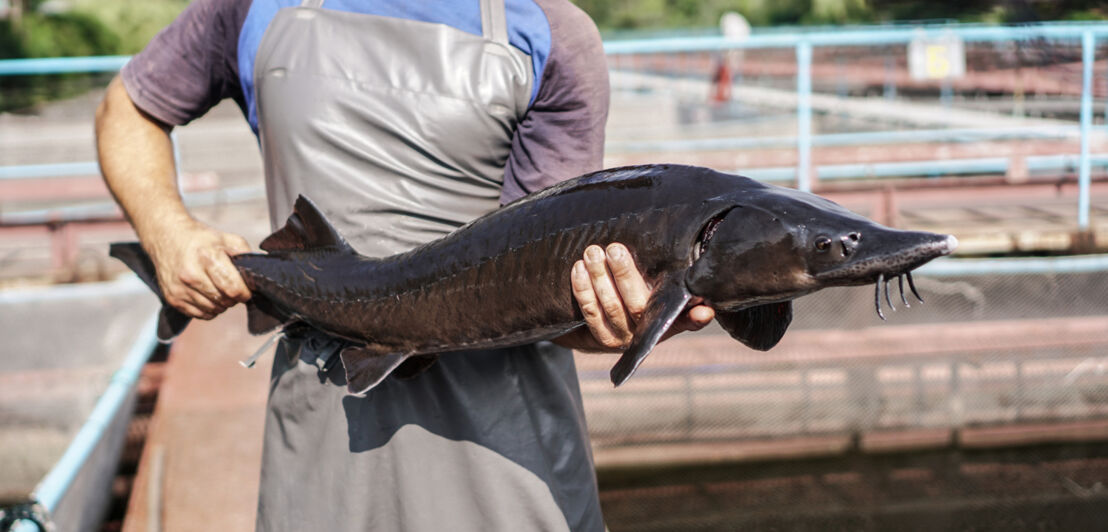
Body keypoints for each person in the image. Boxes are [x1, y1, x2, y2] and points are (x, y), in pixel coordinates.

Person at [96, 1, 713, 530]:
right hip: (327, 413)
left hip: (506, 444)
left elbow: (554, 288)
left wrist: (619, 316)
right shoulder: (254, 6)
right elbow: (127, 109)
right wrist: (168, 231)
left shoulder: (551, 31)